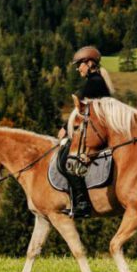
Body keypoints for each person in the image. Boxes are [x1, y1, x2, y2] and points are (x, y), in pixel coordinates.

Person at [59, 45, 114, 218]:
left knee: (65, 159)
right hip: (94, 129)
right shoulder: (95, 81)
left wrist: (64, 129)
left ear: (90, 63)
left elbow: (80, 111)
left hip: (96, 132)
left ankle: (82, 202)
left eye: (80, 64)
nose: (77, 68)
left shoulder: (94, 83)